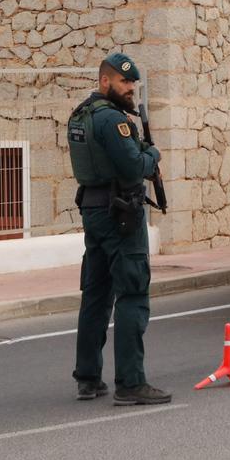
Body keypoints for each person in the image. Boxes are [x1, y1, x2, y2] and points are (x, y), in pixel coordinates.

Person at [66, 53, 170, 406]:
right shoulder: (113, 121)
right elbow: (131, 166)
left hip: (94, 211)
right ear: (105, 81)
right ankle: (130, 382)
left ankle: (88, 378)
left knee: (95, 294)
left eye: (133, 84)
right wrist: (152, 156)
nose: (131, 89)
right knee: (133, 292)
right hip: (120, 213)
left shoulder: (81, 115)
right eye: (125, 82)